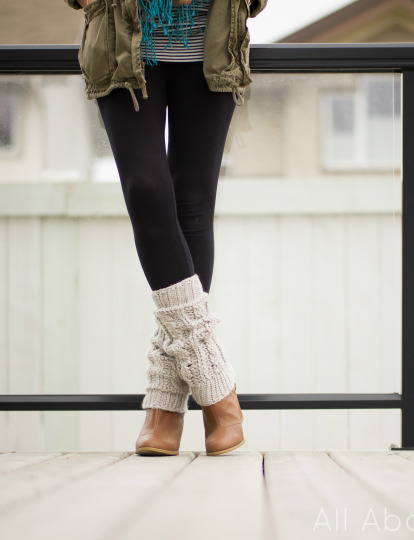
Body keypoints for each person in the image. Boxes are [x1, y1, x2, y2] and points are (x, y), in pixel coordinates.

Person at [65, 0, 268, 456]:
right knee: (145, 189)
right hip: (123, 41)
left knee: (193, 209)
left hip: (210, 45)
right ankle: (215, 385)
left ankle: (165, 405)